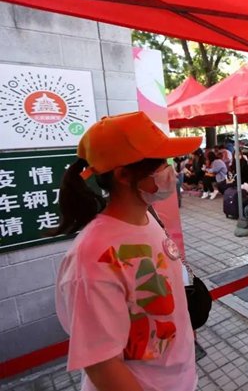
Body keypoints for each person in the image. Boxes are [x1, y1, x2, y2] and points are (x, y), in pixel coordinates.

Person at [52, 112, 201, 391]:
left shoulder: (147, 219)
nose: (170, 171)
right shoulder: (93, 256)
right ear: (122, 175)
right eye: (160, 164)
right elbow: (102, 364)